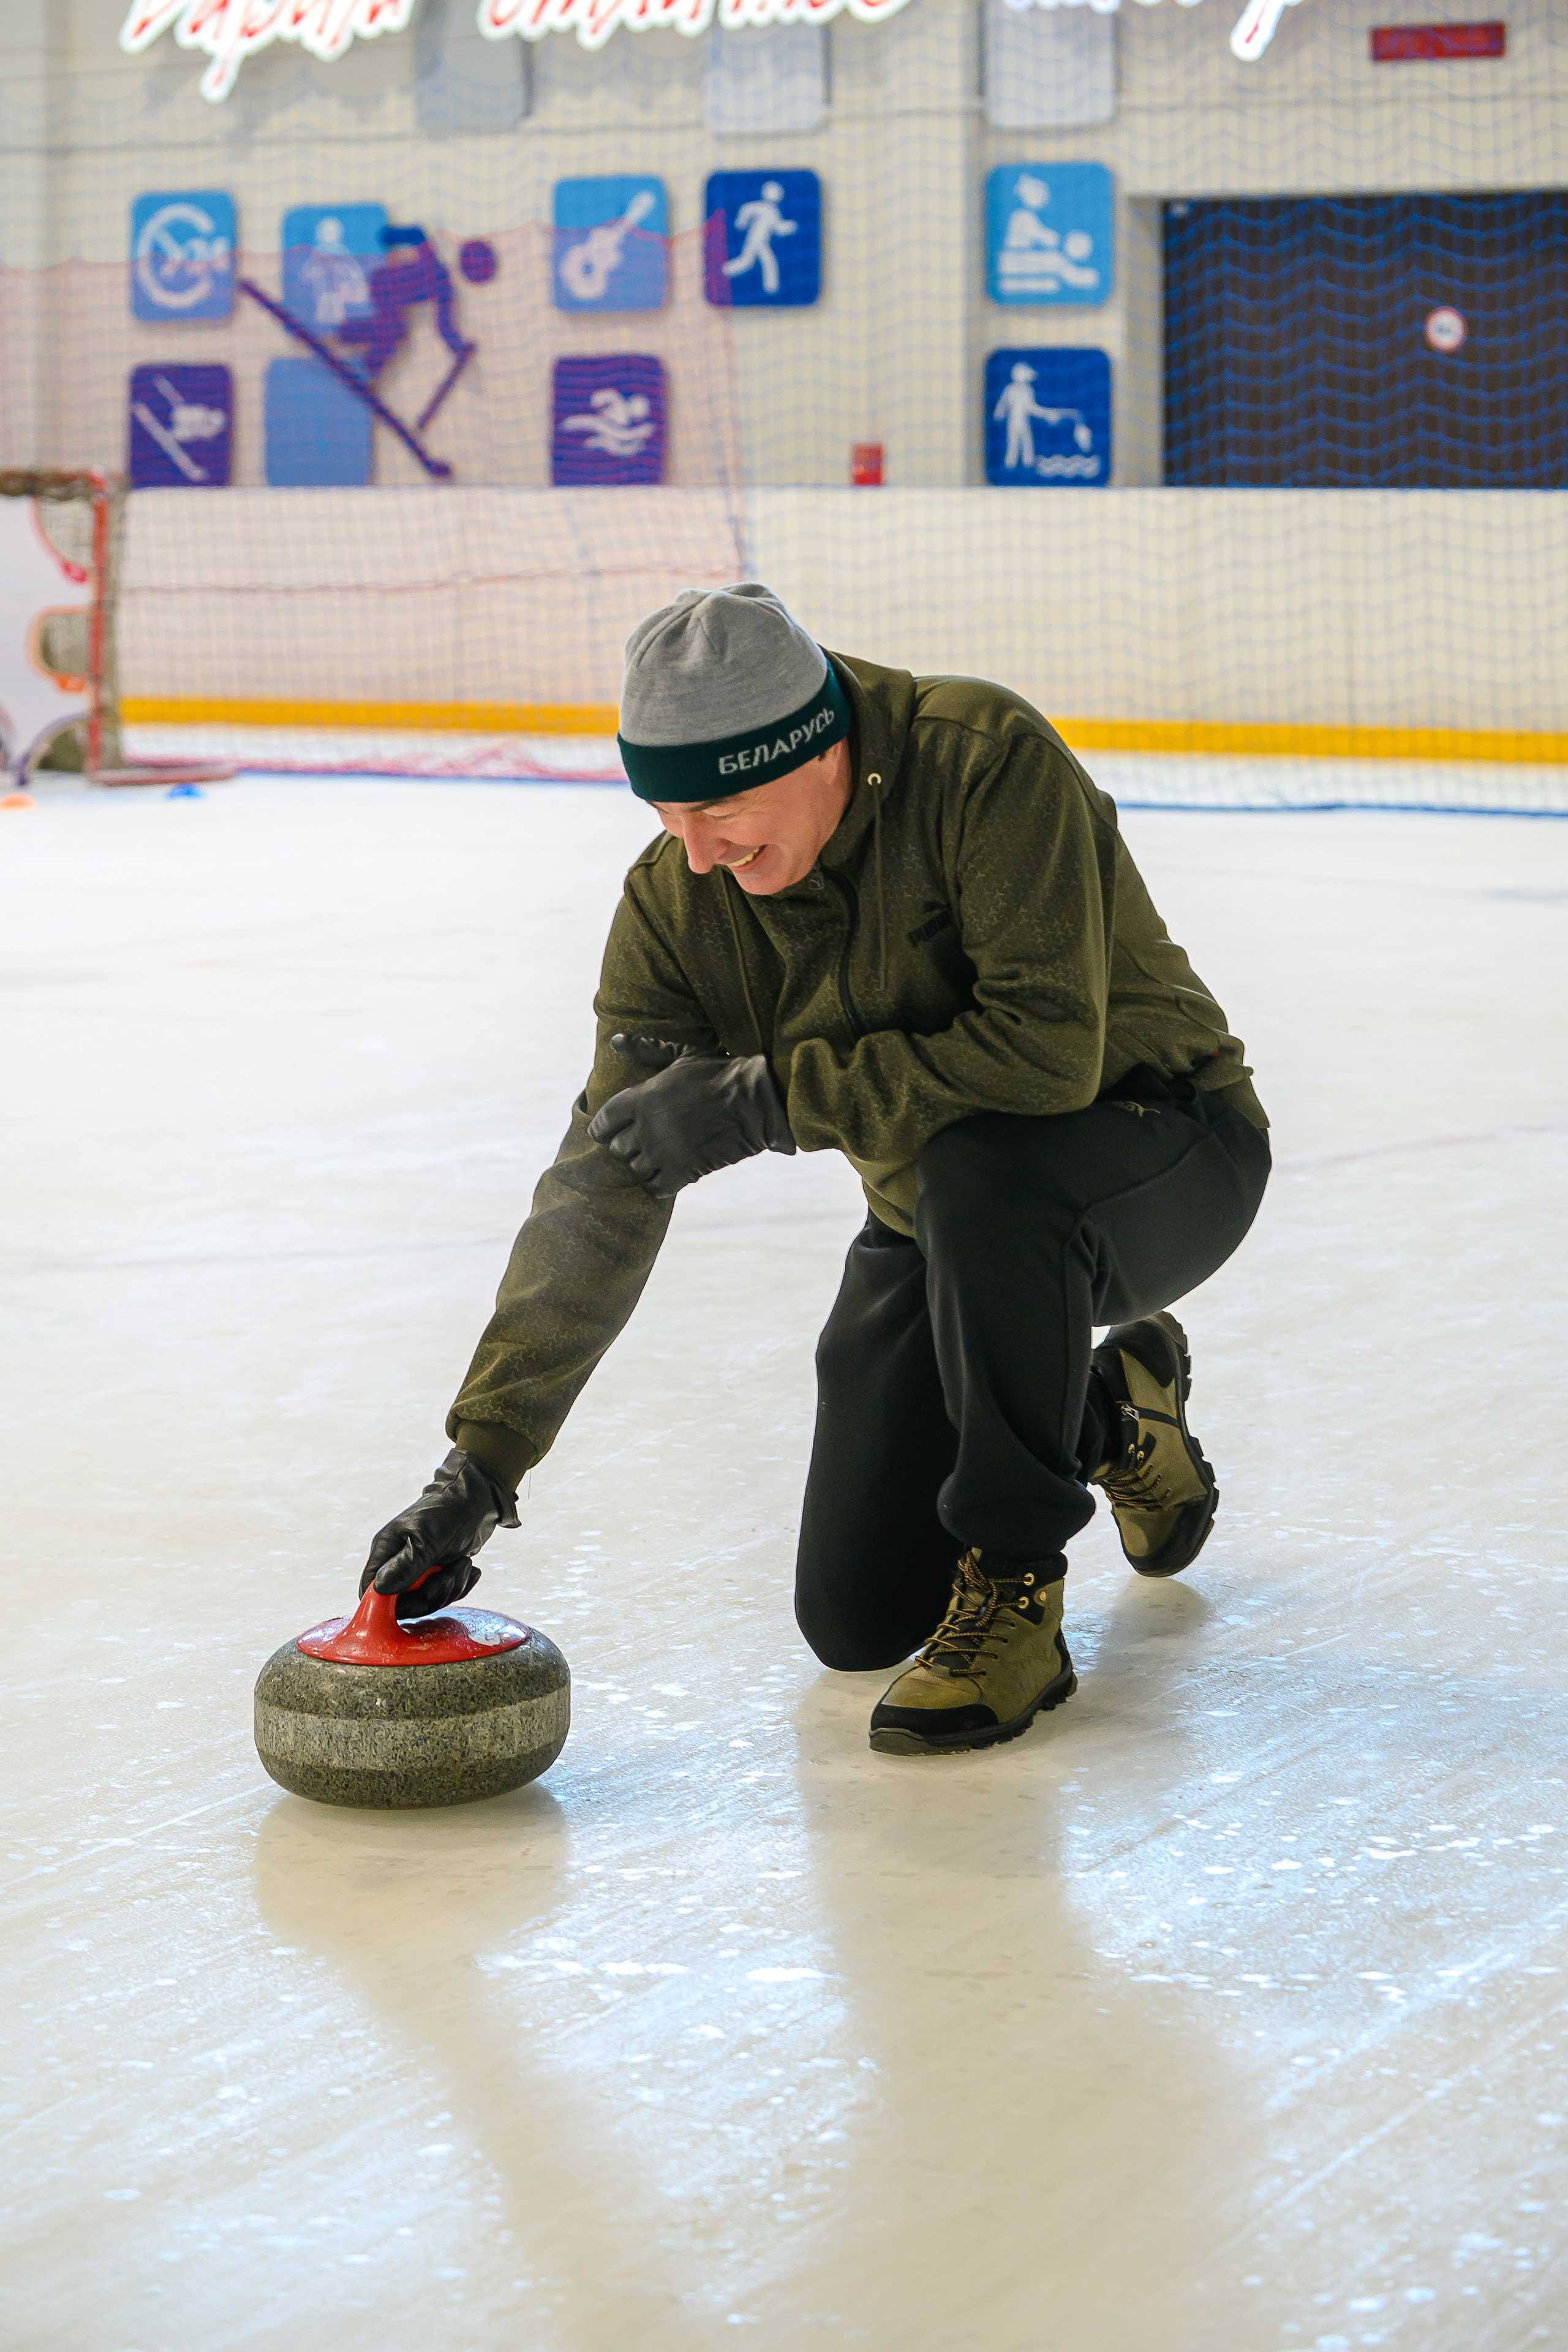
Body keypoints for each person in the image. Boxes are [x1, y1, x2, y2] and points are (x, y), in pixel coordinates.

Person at [360, 586, 1270, 1757]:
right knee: (858, 1615)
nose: (700, 853)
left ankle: (1017, 1590)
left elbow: (1047, 1056)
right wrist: (482, 1461)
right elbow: (606, 1179)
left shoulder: (981, 763)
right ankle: (1115, 1419)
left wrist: (775, 1096)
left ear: (821, 743)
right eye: (668, 812)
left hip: (1163, 1149)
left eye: (723, 804)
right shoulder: (676, 904)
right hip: (943, 1227)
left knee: (984, 1169)